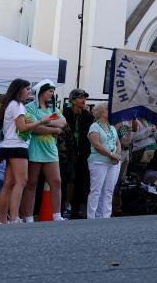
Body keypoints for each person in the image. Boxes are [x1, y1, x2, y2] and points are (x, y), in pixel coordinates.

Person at [0, 79, 56, 224]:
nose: (29, 92)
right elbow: (22, 128)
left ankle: (3, 220)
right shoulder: (17, 105)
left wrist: (34, 123)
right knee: (21, 181)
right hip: (17, 146)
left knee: (9, 183)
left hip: (8, 146)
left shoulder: (11, 104)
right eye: (27, 89)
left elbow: (19, 126)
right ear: (19, 90)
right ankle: (15, 217)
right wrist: (42, 121)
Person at [21, 80, 68, 222]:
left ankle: (56, 215)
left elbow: (64, 123)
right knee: (32, 183)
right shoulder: (29, 107)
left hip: (51, 150)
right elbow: (34, 128)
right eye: (50, 91)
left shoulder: (53, 108)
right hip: (34, 149)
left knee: (56, 182)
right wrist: (55, 128)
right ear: (41, 91)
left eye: (53, 91)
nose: (52, 94)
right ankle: (28, 217)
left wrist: (43, 121)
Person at [61, 88, 93, 219]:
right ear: (73, 100)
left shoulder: (88, 116)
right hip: (66, 153)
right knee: (65, 181)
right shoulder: (64, 114)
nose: (83, 100)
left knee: (80, 181)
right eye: (80, 97)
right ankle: (61, 209)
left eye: (84, 97)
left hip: (83, 154)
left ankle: (76, 210)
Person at [86, 104, 122, 219]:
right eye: (108, 109)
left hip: (112, 162)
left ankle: (105, 216)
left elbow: (117, 142)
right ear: (101, 112)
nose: (111, 111)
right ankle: (92, 217)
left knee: (108, 190)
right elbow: (96, 145)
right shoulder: (94, 126)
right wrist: (111, 154)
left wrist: (118, 156)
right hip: (98, 162)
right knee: (96, 190)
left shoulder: (111, 127)